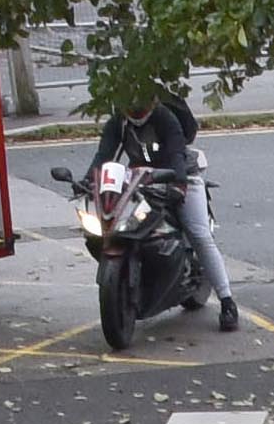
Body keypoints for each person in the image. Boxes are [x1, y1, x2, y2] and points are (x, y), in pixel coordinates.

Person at [98, 81, 239, 334]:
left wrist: (179, 185)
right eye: (130, 108)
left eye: (141, 107)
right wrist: (89, 182)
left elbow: (176, 154)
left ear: (152, 103)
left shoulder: (166, 118)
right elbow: (104, 156)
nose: (136, 114)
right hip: (139, 181)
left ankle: (227, 301)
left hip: (179, 177)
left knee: (198, 234)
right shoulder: (118, 122)